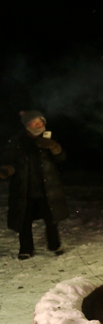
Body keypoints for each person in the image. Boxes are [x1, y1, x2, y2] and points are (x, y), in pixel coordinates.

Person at [0, 110, 69, 260]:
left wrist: (54, 147)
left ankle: (55, 244)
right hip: (24, 186)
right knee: (24, 219)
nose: (39, 124)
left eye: (41, 121)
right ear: (27, 125)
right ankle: (25, 249)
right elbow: (8, 160)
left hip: (47, 186)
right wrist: (7, 169)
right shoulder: (17, 141)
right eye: (34, 122)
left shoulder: (50, 137)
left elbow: (61, 159)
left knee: (51, 218)